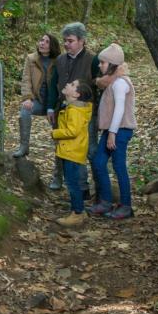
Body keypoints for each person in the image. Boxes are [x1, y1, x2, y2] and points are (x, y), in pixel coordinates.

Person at [46, 22, 100, 195]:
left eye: (70, 41)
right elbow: (53, 84)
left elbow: (100, 87)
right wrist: (50, 108)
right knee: (63, 146)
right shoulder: (60, 60)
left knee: (89, 149)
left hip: (85, 113)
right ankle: (70, 184)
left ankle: (97, 187)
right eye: (64, 41)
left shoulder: (93, 60)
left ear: (81, 40)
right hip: (62, 111)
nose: (66, 44)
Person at [87, 43, 137, 220]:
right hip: (111, 130)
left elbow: (119, 109)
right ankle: (106, 201)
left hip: (119, 131)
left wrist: (113, 134)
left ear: (113, 64)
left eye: (103, 63)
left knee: (118, 166)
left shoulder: (120, 83)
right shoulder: (112, 81)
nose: (100, 65)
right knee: (99, 162)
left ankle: (126, 206)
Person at [51, 79, 93, 227]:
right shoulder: (72, 108)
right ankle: (80, 210)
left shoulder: (75, 110)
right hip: (71, 150)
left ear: (76, 94)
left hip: (72, 151)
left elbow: (72, 131)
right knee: (73, 181)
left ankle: (77, 213)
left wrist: (55, 133)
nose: (68, 84)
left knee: (72, 183)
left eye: (72, 85)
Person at [13, 33, 60, 157]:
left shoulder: (59, 60)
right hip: (38, 100)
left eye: (47, 41)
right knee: (24, 111)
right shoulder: (31, 58)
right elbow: (26, 80)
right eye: (41, 40)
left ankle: (60, 159)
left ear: (53, 46)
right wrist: (27, 98)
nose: (42, 43)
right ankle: (24, 147)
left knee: (60, 129)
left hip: (54, 103)